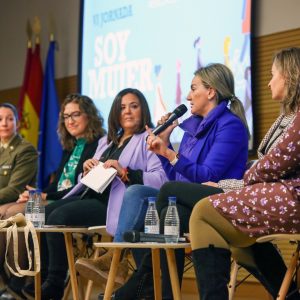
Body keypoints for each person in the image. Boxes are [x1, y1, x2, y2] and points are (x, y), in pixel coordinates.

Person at [78, 63, 250, 300]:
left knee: (169, 208)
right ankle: (124, 268)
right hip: (190, 203)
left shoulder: (230, 126)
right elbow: (178, 178)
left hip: (216, 204)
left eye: (193, 88)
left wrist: (169, 155)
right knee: (146, 197)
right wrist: (166, 145)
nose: (188, 96)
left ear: (210, 92)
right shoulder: (194, 130)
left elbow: (208, 176)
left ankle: (137, 287)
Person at [22, 88, 167, 300]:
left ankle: (55, 281)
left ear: (143, 110)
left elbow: (161, 179)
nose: (127, 112)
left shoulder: (149, 138)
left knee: (56, 217)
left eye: (133, 106)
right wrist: (87, 168)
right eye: (122, 108)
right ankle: (44, 278)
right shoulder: (107, 141)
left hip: (115, 204)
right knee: (42, 215)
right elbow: (87, 179)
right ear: (115, 113)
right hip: (92, 195)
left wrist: (125, 172)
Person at [189, 47, 300, 300]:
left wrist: (234, 184)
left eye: (273, 75)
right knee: (238, 239)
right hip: (283, 192)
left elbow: (276, 162)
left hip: (293, 197)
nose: (269, 81)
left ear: (291, 76)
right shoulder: (289, 116)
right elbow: (271, 163)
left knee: (203, 212)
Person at [0, 94, 105, 299]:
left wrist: (44, 194)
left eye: (76, 115)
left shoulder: (98, 144)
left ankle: (31, 278)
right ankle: (13, 279)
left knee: (19, 213)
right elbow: (58, 184)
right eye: (66, 117)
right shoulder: (71, 146)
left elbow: (81, 187)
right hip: (60, 199)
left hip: (82, 202)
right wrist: (37, 192)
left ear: (89, 116)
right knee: (7, 210)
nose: (71, 121)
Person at [0, 103, 38, 299]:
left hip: (21, 201)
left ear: (17, 122)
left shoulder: (25, 149)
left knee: (11, 215)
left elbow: (15, 189)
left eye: (10, 119)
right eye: (0, 119)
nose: (4, 123)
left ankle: (17, 281)